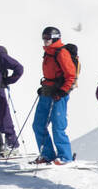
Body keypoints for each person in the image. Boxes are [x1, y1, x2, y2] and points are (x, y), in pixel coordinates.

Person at [32, 26, 75, 164]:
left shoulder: (61, 53)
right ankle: (47, 155)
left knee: (58, 126)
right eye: (43, 38)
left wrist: (63, 91)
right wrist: (44, 87)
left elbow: (71, 75)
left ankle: (65, 157)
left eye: (47, 38)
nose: (45, 41)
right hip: (47, 91)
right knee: (38, 124)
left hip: (58, 94)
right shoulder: (49, 52)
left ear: (55, 38)